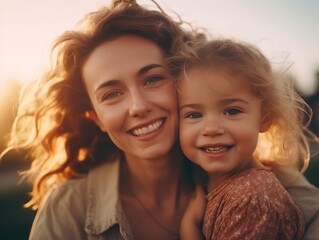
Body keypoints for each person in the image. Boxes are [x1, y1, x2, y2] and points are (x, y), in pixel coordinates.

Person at [2, 0, 319, 239]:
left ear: (184, 83)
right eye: (112, 94)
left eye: (152, 79)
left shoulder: (254, 178)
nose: (138, 106)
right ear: (95, 117)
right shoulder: (68, 208)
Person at [177, 39, 318, 239]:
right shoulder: (211, 182)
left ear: (264, 119)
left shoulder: (253, 200)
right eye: (194, 115)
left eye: (232, 111)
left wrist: (188, 226)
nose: (211, 129)